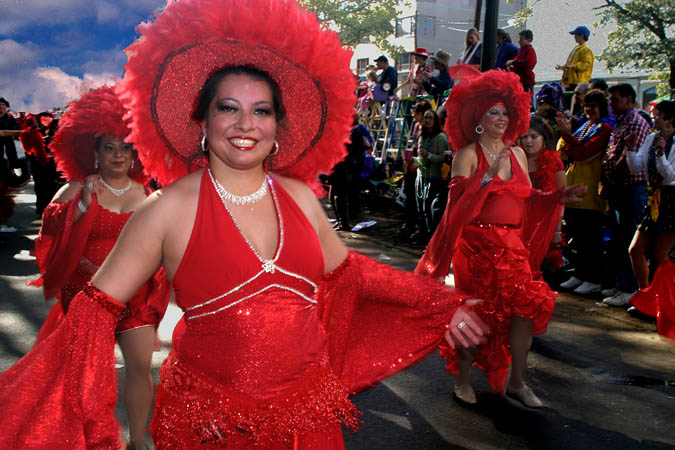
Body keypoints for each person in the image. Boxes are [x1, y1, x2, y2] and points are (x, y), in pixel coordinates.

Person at [0, 1, 488, 448]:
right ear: (202, 121)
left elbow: (352, 275)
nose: (245, 125)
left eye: (261, 111)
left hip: (308, 422)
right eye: (228, 108)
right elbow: (93, 310)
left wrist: (442, 307)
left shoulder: (299, 197)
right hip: (211, 426)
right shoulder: (167, 209)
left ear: (277, 126)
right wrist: (62, 414)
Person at [415, 70, 585, 407]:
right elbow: (457, 208)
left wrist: (554, 199)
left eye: (506, 113)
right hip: (477, 249)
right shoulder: (466, 154)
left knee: (526, 308)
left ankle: (518, 383)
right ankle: (463, 380)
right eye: (494, 111)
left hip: (513, 250)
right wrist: (487, 176)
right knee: (476, 315)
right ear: (479, 117)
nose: (501, 118)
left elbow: (525, 199)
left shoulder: (519, 155)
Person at [25, 85, 171, 449]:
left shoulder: (149, 193)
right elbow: (47, 235)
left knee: (140, 368)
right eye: (109, 147)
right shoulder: (77, 188)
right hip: (87, 295)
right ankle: (89, 440)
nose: (118, 155)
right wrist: (79, 212)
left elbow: (165, 240)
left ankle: (138, 440)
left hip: (135, 295)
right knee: (88, 376)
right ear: (94, 152)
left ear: (136, 152)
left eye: (125, 147)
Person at [556, 89, 614, 295]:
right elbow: (563, 152)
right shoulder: (585, 126)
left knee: (590, 239)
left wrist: (566, 136)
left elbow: (582, 153)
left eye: (593, 106)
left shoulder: (605, 128)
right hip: (574, 190)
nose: (589, 109)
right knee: (575, 237)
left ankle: (594, 278)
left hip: (590, 192)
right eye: (587, 105)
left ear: (602, 107)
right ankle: (580, 274)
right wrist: (567, 137)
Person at [601, 83, 651, 306]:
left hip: (630, 189)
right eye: (610, 99)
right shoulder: (620, 122)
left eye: (615, 99)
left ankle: (630, 288)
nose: (611, 103)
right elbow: (611, 154)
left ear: (629, 99)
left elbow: (631, 163)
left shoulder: (636, 123)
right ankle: (621, 284)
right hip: (618, 189)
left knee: (629, 239)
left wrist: (612, 178)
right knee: (619, 239)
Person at [626, 100, 675, 294]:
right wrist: (630, 149)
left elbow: (670, 176)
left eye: (658, 115)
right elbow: (637, 168)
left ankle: (665, 297)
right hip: (653, 197)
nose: (654, 117)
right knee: (635, 250)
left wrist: (661, 155)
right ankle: (645, 293)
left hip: (671, 198)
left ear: (670, 119)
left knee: (660, 254)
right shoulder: (651, 138)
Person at [522, 116, 566, 276]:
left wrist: (557, 232)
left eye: (534, 137)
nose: (528, 141)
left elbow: (560, 200)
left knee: (535, 269)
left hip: (543, 224)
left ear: (544, 139)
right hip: (519, 222)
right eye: (524, 137)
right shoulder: (515, 160)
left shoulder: (554, 163)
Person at [414, 109, 448, 239]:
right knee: (420, 209)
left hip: (434, 177)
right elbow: (420, 157)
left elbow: (443, 158)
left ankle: (431, 238)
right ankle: (423, 236)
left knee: (428, 209)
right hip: (421, 175)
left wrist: (429, 155)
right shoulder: (422, 137)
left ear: (435, 121)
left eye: (430, 118)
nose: (427, 120)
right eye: (426, 118)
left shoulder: (440, 138)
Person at [556, 25, 594, 91]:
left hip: (578, 83)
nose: (574, 37)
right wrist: (562, 67)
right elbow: (570, 64)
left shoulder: (586, 50)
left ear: (582, 35)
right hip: (570, 82)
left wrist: (573, 66)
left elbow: (585, 65)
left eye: (576, 35)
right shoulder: (576, 49)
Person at [506, 29, 537, 102]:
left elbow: (528, 63)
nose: (519, 42)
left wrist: (514, 63)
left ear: (528, 40)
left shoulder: (529, 50)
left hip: (526, 81)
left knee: (527, 102)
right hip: (520, 80)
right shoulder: (522, 50)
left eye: (522, 40)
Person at [0, 97, 20, 182]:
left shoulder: (11, 119)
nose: (1, 106)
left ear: (6, 107)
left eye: (3, 104)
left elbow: (17, 131)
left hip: (9, 145)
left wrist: (6, 133)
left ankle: (12, 171)